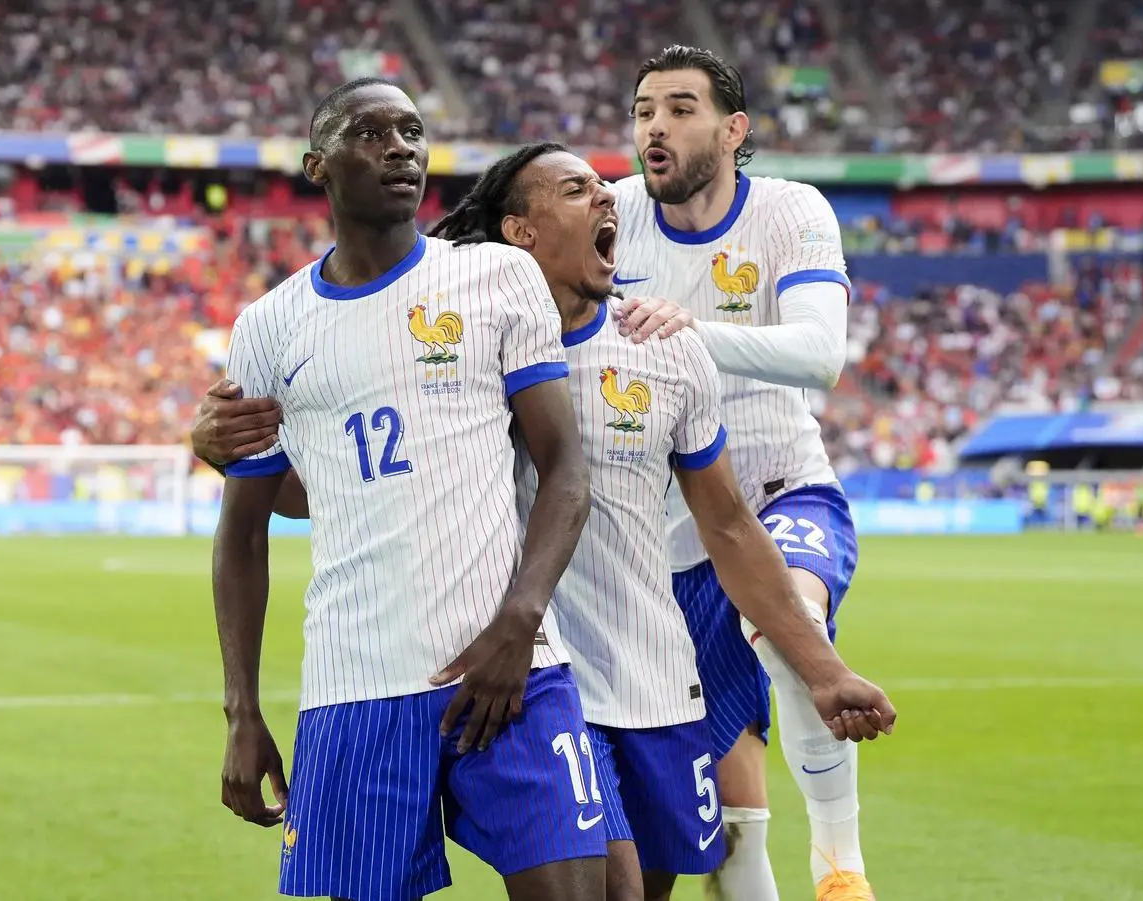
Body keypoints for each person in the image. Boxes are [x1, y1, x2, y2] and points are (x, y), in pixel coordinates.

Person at [195, 142, 897, 901]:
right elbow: (345, 481)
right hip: (528, 683)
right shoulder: (456, 343)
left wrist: (823, 673)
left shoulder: (662, 351)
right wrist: (218, 449)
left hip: (643, 682)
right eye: (577, 190)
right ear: (522, 232)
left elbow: (729, 527)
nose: (608, 200)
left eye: (604, 187)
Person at [211, 77, 607, 901]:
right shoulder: (269, 327)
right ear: (318, 164)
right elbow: (248, 528)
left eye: (413, 131)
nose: (400, 147)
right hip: (356, 685)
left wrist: (519, 619)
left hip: (515, 670)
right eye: (371, 132)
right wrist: (242, 713)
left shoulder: (496, 278)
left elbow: (566, 463)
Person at [609, 45, 878, 900]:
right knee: (724, 811)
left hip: (780, 487)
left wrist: (682, 329)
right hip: (663, 538)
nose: (657, 125)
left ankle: (839, 860)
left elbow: (818, 352)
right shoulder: (609, 214)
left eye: (680, 108)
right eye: (645, 109)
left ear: (733, 129)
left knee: (790, 616)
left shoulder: (792, 212)